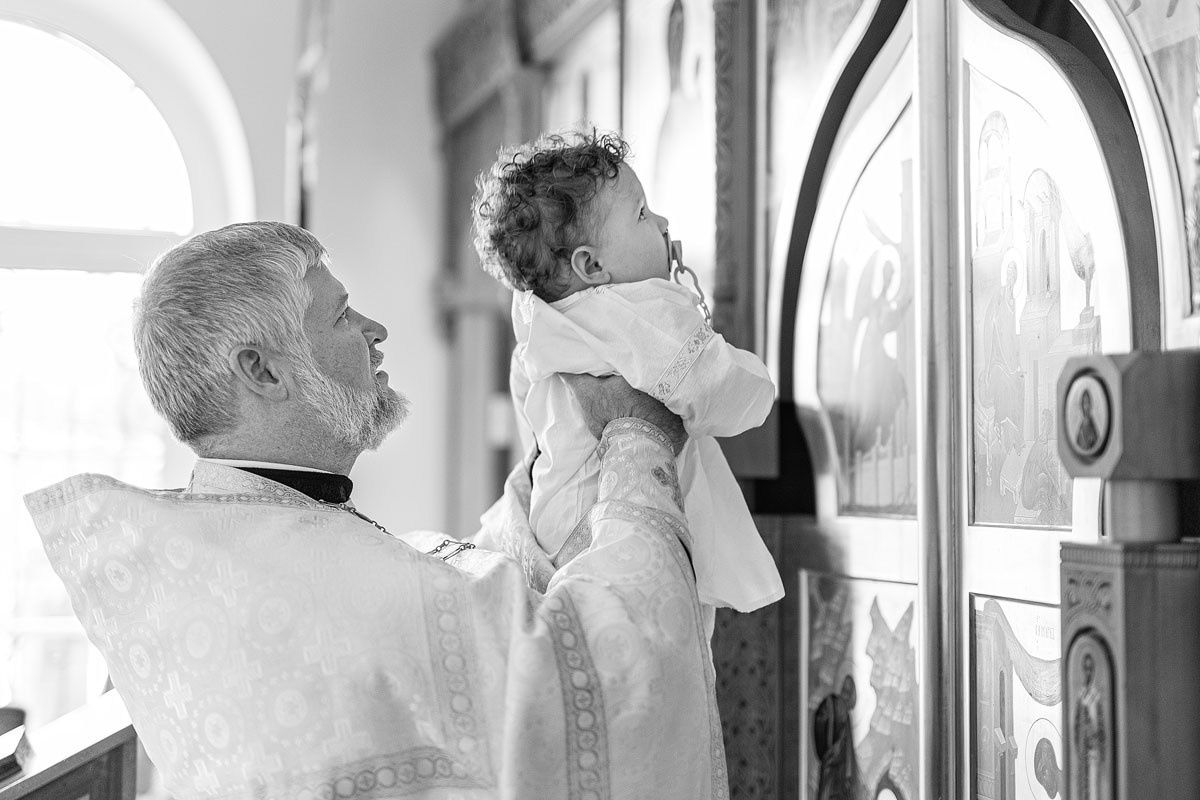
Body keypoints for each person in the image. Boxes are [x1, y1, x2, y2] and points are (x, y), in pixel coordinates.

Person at [24, 222, 729, 799]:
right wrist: (638, 443)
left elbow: (437, 590)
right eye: (341, 314)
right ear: (261, 370)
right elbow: (593, 679)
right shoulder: (314, 583)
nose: (376, 329)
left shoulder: (229, 543)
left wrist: (550, 469)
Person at [471, 130, 783, 615]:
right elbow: (722, 389)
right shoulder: (641, 313)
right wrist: (757, 381)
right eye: (641, 213)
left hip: (550, 522)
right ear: (592, 265)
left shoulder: (539, 320)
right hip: (612, 536)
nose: (661, 223)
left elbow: (525, 402)